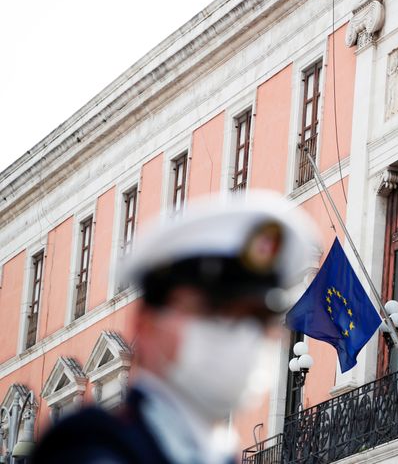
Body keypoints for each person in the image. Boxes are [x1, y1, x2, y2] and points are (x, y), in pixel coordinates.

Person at [32, 192, 316, 464]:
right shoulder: (91, 446)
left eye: (258, 318)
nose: (241, 333)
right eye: (214, 310)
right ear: (146, 324)